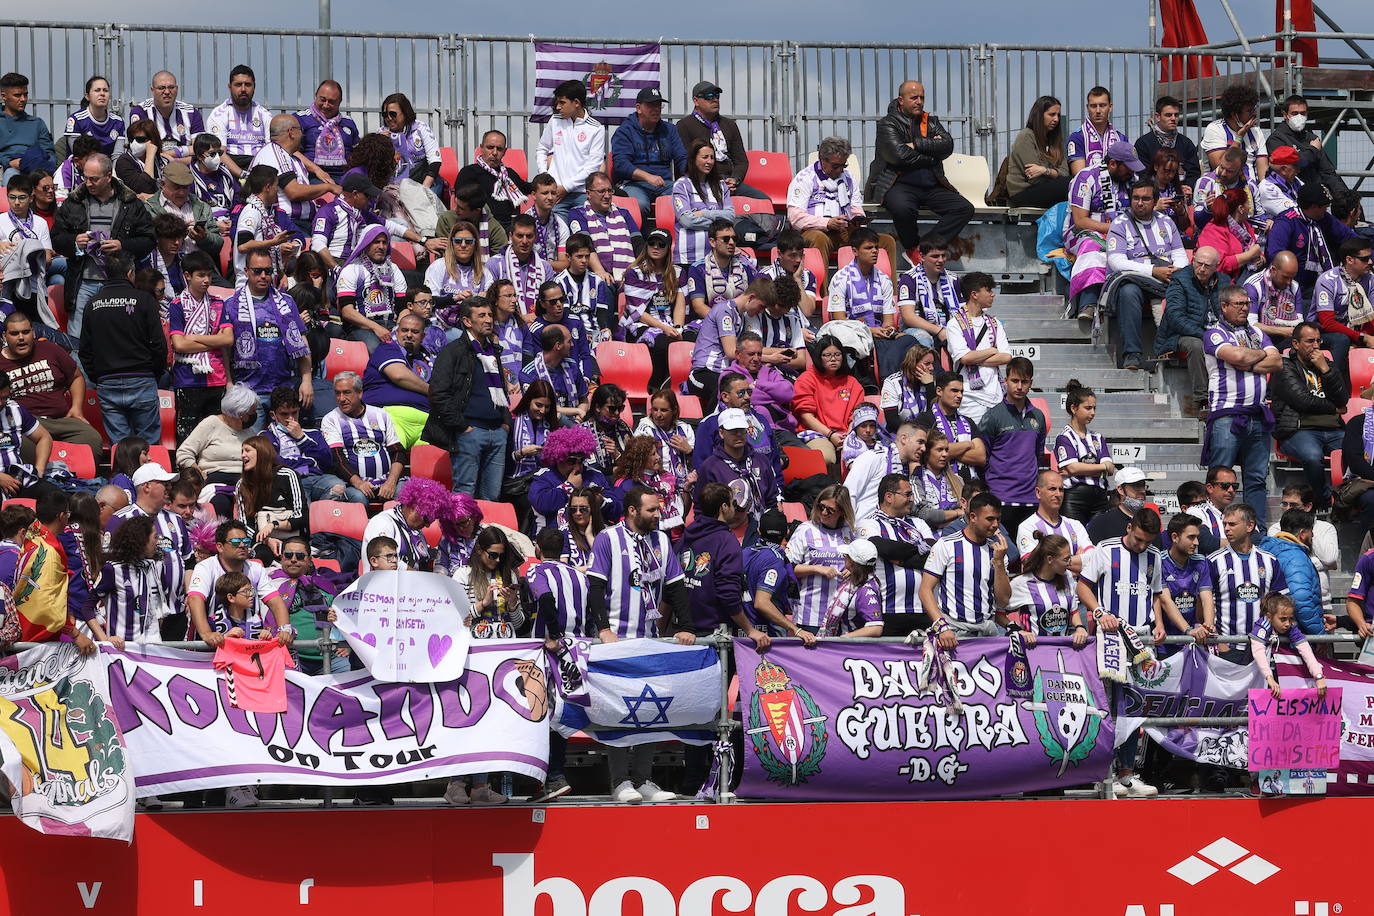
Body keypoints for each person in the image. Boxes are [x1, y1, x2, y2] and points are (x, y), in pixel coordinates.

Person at [585, 486, 690, 804]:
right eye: (652, 510)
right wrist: (603, 629)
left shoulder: (661, 540)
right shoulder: (608, 539)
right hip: (617, 638)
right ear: (632, 511)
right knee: (620, 711)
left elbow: (676, 587)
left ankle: (644, 777)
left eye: (658, 510)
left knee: (649, 710)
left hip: (650, 638)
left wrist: (685, 627)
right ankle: (620, 781)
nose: (658, 515)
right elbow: (595, 587)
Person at [1075, 507, 1165, 796]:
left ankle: (1127, 775)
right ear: (1129, 528)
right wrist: (1100, 612)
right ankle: (1106, 774)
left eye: (1146, 542)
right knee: (1109, 708)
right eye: (1138, 539)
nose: (1141, 546)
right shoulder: (1105, 550)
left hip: (1141, 639)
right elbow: (1083, 587)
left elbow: (1155, 594)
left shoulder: (1153, 557)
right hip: (1112, 638)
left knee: (1134, 709)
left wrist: (1159, 623)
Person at [51, 151, 155, 340]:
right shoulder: (73, 202)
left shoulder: (131, 203)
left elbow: (148, 240)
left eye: (94, 179)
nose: (88, 183)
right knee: (78, 339)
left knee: (120, 336)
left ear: (108, 177)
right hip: (83, 281)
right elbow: (57, 238)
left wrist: (122, 245)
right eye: (85, 177)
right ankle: (80, 371)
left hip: (119, 282)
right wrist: (74, 241)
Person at [1203, 285, 1283, 526]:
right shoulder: (1214, 333)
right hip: (1227, 415)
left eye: (1247, 304)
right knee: (1222, 478)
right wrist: (1256, 355)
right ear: (1224, 306)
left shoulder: (1256, 332)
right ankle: (1217, 526)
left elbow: (1277, 361)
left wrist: (1246, 360)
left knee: (1257, 478)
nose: (1245, 308)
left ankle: (1255, 528)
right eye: (1239, 304)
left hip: (1258, 415)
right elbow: (1236, 356)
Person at [866, 80, 970, 260]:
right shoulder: (888, 124)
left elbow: (947, 146)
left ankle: (927, 248)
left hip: (932, 185)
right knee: (903, 208)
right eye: (914, 97)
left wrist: (915, 144)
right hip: (897, 184)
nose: (919, 101)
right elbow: (898, 156)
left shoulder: (931, 121)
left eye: (922, 97)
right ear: (901, 100)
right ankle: (911, 248)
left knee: (964, 208)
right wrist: (932, 153)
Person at [78, 251, 165, 444]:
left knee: (121, 448)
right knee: (148, 447)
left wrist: (98, 377)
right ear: (130, 274)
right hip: (142, 378)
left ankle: (123, 475)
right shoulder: (145, 300)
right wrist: (154, 374)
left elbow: (84, 350)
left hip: (107, 382)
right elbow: (159, 345)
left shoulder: (92, 304)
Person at [1105, 180, 1189, 369]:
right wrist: (1153, 271)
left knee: (1183, 288)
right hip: (1135, 279)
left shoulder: (1166, 222)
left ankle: (1174, 350)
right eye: (1135, 198)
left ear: (1155, 201)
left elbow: (1179, 254)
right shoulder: (1120, 224)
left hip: (1166, 279)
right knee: (1128, 292)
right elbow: (1116, 262)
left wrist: (1177, 270)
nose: (1139, 203)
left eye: (1145, 199)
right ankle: (1132, 355)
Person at [225, 249, 313, 421]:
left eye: (268, 271)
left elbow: (301, 342)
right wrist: (229, 383)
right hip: (248, 392)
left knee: (287, 445)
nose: (264, 275)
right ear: (246, 271)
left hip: (283, 391)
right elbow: (225, 350)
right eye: (257, 271)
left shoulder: (286, 302)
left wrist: (307, 379)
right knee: (253, 446)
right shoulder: (231, 305)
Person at [788, 136, 900, 270]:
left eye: (843, 165)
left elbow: (856, 207)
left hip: (846, 232)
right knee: (819, 239)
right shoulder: (804, 178)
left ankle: (890, 290)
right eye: (835, 166)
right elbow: (795, 218)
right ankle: (819, 290)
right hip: (814, 231)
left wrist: (857, 220)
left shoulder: (849, 178)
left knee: (887, 242)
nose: (840, 170)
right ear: (822, 159)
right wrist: (827, 223)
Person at [1271, 320, 1348, 510]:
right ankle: (1323, 501)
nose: (1316, 346)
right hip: (1298, 429)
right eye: (1310, 341)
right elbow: (1303, 401)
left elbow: (1343, 398)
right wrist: (1333, 408)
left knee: (1357, 451)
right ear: (1295, 344)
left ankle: (1347, 498)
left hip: (1333, 428)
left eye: (1318, 341)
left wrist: (1326, 370)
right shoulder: (1284, 366)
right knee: (1313, 457)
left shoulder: (1325, 364)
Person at [0, 313, 102, 455]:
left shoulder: (50, 349)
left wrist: (76, 408)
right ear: (5, 336)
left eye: (26, 332)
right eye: (14, 333)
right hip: (25, 426)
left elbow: (76, 377)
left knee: (92, 439)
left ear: (33, 332)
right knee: (18, 447)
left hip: (61, 420)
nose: (21, 337)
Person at [1064, 140, 1140, 321]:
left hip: (1125, 230)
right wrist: (1115, 229)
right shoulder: (1086, 177)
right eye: (1128, 167)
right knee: (1094, 246)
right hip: (1083, 232)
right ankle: (1088, 304)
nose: (1132, 171)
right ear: (1113, 164)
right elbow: (1080, 221)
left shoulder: (1133, 179)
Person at [826, 227, 916, 379]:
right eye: (868, 248)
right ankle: (886, 380)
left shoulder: (884, 280)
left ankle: (888, 380)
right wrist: (870, 330)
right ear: (855, 251)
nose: (874, 251)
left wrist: (886, 331)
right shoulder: (840, 278)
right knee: (881, 346)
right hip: (853, 334)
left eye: (876, 247)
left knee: (912, 340)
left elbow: (888, 321)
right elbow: (839, 319)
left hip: (880, 335)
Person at [920, 492, 1012, 640]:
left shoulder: (997, 553)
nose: (995, 525)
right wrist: (941, 626)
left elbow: (1003, 601)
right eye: (990, 519)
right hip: (953, 634)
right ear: (973, 517)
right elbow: (925, 590)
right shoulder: (946, 545)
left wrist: (999, 563)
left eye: (998, 519)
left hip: (987, 634)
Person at [165, 250, 232, 440]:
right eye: (201, 275)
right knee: (188, 435)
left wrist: (193, 338)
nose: (206, 280)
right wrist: (214, 341)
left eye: (209, 275)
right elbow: (179, 344)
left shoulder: (219, 303)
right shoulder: (177, 304)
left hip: (217, 376)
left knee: (216, 437)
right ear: (187, 276)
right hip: (187, 378)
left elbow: (227, 340)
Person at [976, 356, 1046, 534]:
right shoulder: (992, 416)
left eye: (1025, 381)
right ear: (1005, 380)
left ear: (1031, 383)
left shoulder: (1038, 417)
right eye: (1015, 380)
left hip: (1031, 498)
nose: (1020, 386)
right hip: (1001, 498)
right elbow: (983, 457)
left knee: (1030, 559)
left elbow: (1037, 455)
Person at [1209, 502, 1287, 662]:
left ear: (1250, 525)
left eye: (1232, 524)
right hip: (1228, 647)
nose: (1226, 529)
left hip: (1263, 646)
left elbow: (1280, 602)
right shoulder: (1214, 561)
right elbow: (1203, 604)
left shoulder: (1269, 561)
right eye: (1225, 524)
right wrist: (1219, 641)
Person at [1155, 246, 1223, 418]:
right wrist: (1206, 336)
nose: (1202, 269)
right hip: (1180, 335)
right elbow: (1175, 317)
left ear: (1216, 266)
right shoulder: (1180, 280)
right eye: (1199, 263)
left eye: (1208, 265)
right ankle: (1203, 401)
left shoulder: (1224, 281)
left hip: (1216, 332)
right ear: (1193, 260)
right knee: (1196, 345)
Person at [267, 534, 349, 675]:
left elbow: (345, 618)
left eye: (299, 556)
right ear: (281, 558)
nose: (293, 559)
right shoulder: (268, 585)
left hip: (331, 657)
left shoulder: (325, 586)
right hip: (291, 658)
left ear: (309, 561)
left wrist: (346, 644)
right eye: (288, 555)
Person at [857, 473, 934, 624]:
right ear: (889, 497)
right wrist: (919, 549)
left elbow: (934, 555)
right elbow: (882, 548)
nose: (912, 499)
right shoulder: (869, 523)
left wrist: (902, 560)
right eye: (907, 494)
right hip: (886, 610)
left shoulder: (919, 523)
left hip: (923, 610)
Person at [687, 274, 771, 405]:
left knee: (750, 390)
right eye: (761, 306)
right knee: (724, 390)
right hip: (703, 372)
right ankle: (712, 424)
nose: (761, 311)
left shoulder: (741, 316)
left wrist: (777, 354)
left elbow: (747, 350)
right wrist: (771, 358)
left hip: (725, 373)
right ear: (751, 297)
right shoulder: (724, 311)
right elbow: (732, 352)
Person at [321, 372, 404, 504]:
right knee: (358, 498)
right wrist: (359, 483)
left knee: (407, 493)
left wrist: (391, 482)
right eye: (337, 393)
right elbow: (337, 459)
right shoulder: (331, 419)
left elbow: (397, 451)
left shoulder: (380, 414)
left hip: (387, 481)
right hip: (353, 485)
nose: (341, 398)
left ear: (360, 393)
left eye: (347, 392)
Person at [694, 407, 779, 536]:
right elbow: (701, 509)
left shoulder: (761, 461)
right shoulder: (710, 467)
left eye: (742, 430)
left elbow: (772, 500)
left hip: (761, 530)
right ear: (722, 433)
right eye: (733, 431)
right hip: (726, 533)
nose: (739, 434)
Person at [264, 384, 355, 504]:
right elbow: (275, 463)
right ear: (273, 415)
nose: (291, 419)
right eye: (284, 414)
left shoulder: (313, 433)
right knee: (301, 499)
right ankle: (308, 516)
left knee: (339, 487)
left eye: (294, 413)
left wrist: (301, 438)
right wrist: (309, 464)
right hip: (289, 480)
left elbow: (327, 461)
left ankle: (317, 514)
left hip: (317, 478)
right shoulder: (266, 437)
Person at [622, 228, 689, 390]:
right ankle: (657, 385)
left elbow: (681, 304)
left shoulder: (678, 272)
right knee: (663, 343)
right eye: (651, 243)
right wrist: (664, 328)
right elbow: (637, 312)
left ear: (668, 249)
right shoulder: (635, 273)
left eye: (661, 244)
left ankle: (680, 384)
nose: (656, 247)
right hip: (641, 324)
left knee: (689, 339)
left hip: (669, 323)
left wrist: (678, 329)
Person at [675, 80, 766, 200]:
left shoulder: (729, 125)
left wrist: (734, 180)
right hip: (702, 182)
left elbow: (741, 161)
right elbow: (685, 161)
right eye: (709, 97)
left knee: (764, 201)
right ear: (696, 101)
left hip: (728, 182)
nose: (715, 100)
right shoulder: (684, 125)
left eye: (717, 96)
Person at [1266, 182, 1354, 305]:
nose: (1327, 208)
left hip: (1325, 281)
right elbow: (1275, 254)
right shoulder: (1287, 222)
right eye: (1324, 205)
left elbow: (1350, 238)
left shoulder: (1324, 218)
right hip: (1296, 287)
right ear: (1313, 207)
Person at [176, 384, 259, 516]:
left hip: (245, 482)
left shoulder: (250, 432)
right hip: (216, 482)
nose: (255, 416)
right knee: (221, 503)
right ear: (240, 414)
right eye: (252, 413)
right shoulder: (211, 423)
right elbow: (184, 453)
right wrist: (199, 472)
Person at [249, 114, 340, 232]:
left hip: (300, 223)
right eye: (300, 130)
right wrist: (329, 187)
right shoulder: (274, 153)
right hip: (285, 224)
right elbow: (294, 192)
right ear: (291, 132)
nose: (302, 135)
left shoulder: (290, 155)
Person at [787, 484, 856, 634]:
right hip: (810, 614)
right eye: (821, 507)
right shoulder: (806, 530)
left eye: (830, 510)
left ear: (842, 512)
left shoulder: (849, 533)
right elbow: (789, 567)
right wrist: (817, 569)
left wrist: (852, 570)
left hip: (841, 614)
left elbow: (860, 565)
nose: (824, 512)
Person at [944, 271, 1011, 423]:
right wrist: (992, 351)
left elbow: (1006, 356)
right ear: (974, 294)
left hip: (996, 396)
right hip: (969, 398)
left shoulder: (994, 323)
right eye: (988, 290)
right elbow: (965, 357)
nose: (992, 295)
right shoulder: (954, 324)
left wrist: (974, 358)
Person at [612, 87, 688, 215]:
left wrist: (696, 171)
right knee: (639, 205)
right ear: (638, 108)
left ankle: (672, 234)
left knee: (684, 199)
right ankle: (640, 235)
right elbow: (621, 164)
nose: (656, 109)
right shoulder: (624, 131)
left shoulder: (670, 129)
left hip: (665, 184)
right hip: (633, 184)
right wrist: (647, 177)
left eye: (658, 105)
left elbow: (682, 158)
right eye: (651, 105)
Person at [794, 335, 865, 470]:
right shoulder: (807, 379)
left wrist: (847, 437)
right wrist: (830, 435)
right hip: (817, 433)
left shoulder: (852, 382)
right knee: (826, 457)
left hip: (847, 434)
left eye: (837, 354)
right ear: (819, 357)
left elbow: (857, 415)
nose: (833, 359)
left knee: (866, 457)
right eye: (827, 355)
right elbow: (805, 416)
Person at [1268, 94, 1352, 208]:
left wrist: (1345, 198)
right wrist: (1312, 150)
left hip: (1319, 200)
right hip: (1292, 199)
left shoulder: (1312, 138)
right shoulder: (1277, 139)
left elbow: (1328, 172)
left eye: (1303, 113)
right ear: (1285, 115)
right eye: (1294, 113)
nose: (1299, 117)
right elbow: (1295, 165)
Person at [1257, 509, 1329, 639]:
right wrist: (1319, 635)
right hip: (1295, 638)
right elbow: (1301, 600)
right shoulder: (1295, 557)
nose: (1312, 535)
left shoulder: (1266, 550)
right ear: (1302, 533)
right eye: (1310, 531)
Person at [337, 224, 408, 352]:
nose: (381, 246)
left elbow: (403, 308)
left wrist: (401, 329)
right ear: (366, 243)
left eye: (384, 242)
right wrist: (376, 328)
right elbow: (347, 311)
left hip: (391, 324)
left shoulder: (394, 269)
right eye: (376, 242)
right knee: (376, 349)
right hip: (361, 327)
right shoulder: (352, 269)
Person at [536, 80, 604, 216]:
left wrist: (567, 187)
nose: (558, 107)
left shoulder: (596, 128)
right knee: (557, 234)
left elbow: (593, 167)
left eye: (562, 102)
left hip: (582, 195)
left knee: (582, 235)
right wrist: (545, 175)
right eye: (558, 103)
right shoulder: (554, 120)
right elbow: (542, 148)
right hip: (556, 195)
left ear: (577, 103)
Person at [743, 508, 811, 641]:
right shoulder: (775, 559)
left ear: (758, 530)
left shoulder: (744, 552)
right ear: (787, 532)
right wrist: (795, 629)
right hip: (767, 637)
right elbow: (761, 602)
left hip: (742, 633)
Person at [1055, 379, 1116, 523]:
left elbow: (1111, 469)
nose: (1093, 412)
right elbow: (1072, 467)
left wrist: (1081, 469)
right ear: (1074, 408)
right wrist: (1102, 468)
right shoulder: (1064, 437)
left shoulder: (1098, 437)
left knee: (1097, 541)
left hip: (1100, 496)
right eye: (1088, 408)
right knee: (1075, 541)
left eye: (1094, 408)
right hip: (1075, 497)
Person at [234, 436, 306, 556]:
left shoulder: (287, 475)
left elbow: (301, 515)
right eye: (242, 451)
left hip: (291, 537)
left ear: (261, 452)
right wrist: (266, 539)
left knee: (292, 555)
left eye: (247, 450)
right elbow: (245, 525)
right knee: (262, 555)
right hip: (261, 541)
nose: (242, 455)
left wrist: (274, 525)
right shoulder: (242, 485)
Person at [1314, 238, 1374, 379]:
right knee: (1341, 340)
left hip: (1357, 333)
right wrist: (1361, 338)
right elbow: (1327, 323)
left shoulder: (1370, 279)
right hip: (1324, 333)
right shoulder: (1328, 280)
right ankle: (1334, 383)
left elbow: (1372, 317)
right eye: (1365, 259)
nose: (1370, 262)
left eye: (1370, 258)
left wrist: (1363, 339)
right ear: (1349, 260)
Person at [567, 171, 639, 285]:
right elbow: (584, 245)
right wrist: (600, 272)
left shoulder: (623, 213)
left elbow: (638, 243)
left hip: (627, 275)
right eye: (601, 191)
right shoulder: (578, 213)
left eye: (610, 191)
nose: (607, 196)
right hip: (596, 276)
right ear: (588, 193)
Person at [672, 139, 735, 269]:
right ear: (693, 159)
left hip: (718, 258)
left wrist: (704, 213)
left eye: (712, 157)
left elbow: (730, 217)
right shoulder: (681, 185)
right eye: (705, 157)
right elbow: (686, 220)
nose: (709, 161)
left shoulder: (721, 186)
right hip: (688, 258)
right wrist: (718, 226)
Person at [233, 165, 301, 284]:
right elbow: (243, 246)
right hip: (249, 284)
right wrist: (274, 242)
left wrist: (281, 274)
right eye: (276, 187)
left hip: (265, 282)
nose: (277, 191)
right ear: (268, 187)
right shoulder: (251, 211)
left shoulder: (265, 211)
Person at [1158, 513, 1216, 650]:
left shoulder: (1201, 562)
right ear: (1174, 537)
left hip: (1194, 640)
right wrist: (1188, 630)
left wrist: (1208, 624)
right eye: (1191, 537)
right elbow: (1166, 601)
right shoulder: (1159, 561)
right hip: (1166, 642)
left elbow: (1207, 598)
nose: (1196, 543)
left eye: (1197, 537)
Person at [1268, 484, 1339, 595]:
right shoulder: (1276, 529)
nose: (1287, 509)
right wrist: (1321, 564)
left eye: (1293, 505)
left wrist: (1308, 527)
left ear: (1308, 506)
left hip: (1321, 600)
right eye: (1284, 504)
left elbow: (1329, 559)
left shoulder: (1326, 528)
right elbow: (1283, 563)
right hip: (1286, 599)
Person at [1014, 469, 1091, 570]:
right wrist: (1076, 563)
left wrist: (1055, 563)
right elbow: (1034, 566)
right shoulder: (1028, 527)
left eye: (1061, 489)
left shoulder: (1075, 525)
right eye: (1052, 489)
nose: (1058, 494)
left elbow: (1092, 559)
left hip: (1075, 585)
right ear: (1038, 492)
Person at [146, 160, 222, 262]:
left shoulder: (201, 207)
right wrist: (177, 231)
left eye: (185, 187)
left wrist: (204, 237)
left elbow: (218, 245)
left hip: (200, 267)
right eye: (176, 187)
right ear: (162, 184)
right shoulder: (149, 208)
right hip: (165, 267)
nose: (181, 193)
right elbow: (147, 242)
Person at [457, 130, 533, 231]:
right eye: (490, 147)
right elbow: (462, 203)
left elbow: (530, 188)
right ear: (481, 148)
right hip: (481, 227)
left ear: (505, 152)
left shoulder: (509, 174)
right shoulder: (469, 172)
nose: (495, 152)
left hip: (511, 227)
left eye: (499, 149)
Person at [686, 218, 760, 321]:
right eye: (726, 239)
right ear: (712, 242)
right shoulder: (698, 268)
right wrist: (724, 323)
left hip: (742, 322)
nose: (731, 242)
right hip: (711, 323)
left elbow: (754, 299)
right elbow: (699, 307)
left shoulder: (745, 267)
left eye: (734, 238)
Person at [361, 478, 443, 572]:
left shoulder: (415, 531)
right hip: (383, 583)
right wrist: (420, 578)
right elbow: (385, 560)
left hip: (409, 583)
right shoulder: (383, 522)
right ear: (413, 507)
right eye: (426, 519)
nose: (427, 525)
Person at [483, 214, 555, 317]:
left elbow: (550, 302)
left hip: (537, 323)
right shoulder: (494, 264)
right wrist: (521, 319)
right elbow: (489, 302)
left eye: (529, 236)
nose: (525, 241)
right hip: (503, 325)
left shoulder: (545, 267)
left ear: (535, 237)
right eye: (520, 236)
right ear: (510, 236)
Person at [1006, 95, 1071, 208]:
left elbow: (1065, 172)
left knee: (1077, 183)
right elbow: (1034, 178)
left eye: (1058, 115)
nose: (1056, 119)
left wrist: (1045, 171)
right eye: (1051, 114)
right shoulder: (1026, 136)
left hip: (1045, 188)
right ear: (1039, 115)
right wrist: (1055, 173)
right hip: (1023, 193)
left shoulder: (1054, 140)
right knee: (1071, 183)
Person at [897, 236, 961, 349]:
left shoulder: (954, 279)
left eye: (943, 255)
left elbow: (964, 312)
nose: (941, 260)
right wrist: (939, 331)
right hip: (918, 330)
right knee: (924, 338)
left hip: (949, 328)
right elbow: (908, 317)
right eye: (935, 256)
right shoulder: (909, 278)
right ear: (921, 256)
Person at [918, 371, 987, 475]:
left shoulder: (968, 421)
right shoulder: (925, 420)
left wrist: (948, 451)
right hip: (940, 484)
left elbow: (981, 457)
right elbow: (929, 453)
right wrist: (967, 444)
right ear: (939, 391)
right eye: (954, 391)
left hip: (970, 485)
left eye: (961, 391)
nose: (959, 395)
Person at [206, 65, 271, 172]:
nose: (243, 89)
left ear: (254, 86)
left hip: (259, 168)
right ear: (230, 86)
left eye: (248, 85)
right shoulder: (219, 114)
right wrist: (242, 175)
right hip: (230, 166)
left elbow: (271, 150)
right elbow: (219, 153)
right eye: (238, 85)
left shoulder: (264, 114)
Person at [128, 71, 204, 163]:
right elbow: (141, 150)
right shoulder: (140, 111)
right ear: (152, 90)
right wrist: (184, 151)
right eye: (161, 88)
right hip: (151, 168)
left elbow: (201, 151)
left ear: (177, 89)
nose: (167, 92)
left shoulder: (191, 112)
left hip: (184, 169)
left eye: (171, 87)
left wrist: (174, 159)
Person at [519, 324, 589, 423]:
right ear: (558, 346)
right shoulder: (529, 374)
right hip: (544, 427)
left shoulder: (572, 366)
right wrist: (576, 411)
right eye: (569, 341)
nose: (572, 345)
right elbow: (540, 409)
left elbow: (583, 400)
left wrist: (578, 418)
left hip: (574, 425)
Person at [728, 331, 795, 431]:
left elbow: (788, 393)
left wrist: (758, 384)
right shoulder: (728, 375)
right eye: (751, 354)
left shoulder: (770, 372)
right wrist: (776, 396)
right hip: (749, 432)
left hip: (783, 428)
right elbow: (747, 399)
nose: (756, 358)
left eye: (759, 354)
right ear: (738, 354)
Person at [294, 80, 359, 183]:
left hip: (345, 177)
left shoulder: (348, 122)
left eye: (331, 102)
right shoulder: (300, 119)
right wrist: (316, 170)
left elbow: (358, 153)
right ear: (316, 95)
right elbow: (290, 151)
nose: (326, 105)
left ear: (340, 101)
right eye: (322, 99)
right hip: (312, 176)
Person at [1201, 84, 1268, 182]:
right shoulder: (1215, 129)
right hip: (1221, 189)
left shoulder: (1256, 131)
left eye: (1254, 109)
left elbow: (1263, 169)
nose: (1254, 113)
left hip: (1251, 190)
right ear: (1234, 114)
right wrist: (1239, 137)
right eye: (1249, 111)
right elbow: (1220, 166)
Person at [1134, 95, 1202, 190]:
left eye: (1176, 115)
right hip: (1153, 195)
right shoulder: (1143, 143)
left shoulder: (1186, 143)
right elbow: (1143, 174)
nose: (1173, 118)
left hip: (1182, 195)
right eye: (1168, 115)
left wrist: (1187, 188)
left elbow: (1194, 173)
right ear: (1158, 116)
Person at [1197, 188, 1265, 282]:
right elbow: (1218, 265)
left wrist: (1260, 257)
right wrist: (1249, 255)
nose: (1249, 207)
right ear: (1241, 209)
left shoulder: (1245, 225)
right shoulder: (1214, 230)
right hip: (1222, 284)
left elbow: (1254, 246)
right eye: (1248, 203)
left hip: (1246, 276)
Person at [379, 92, 441, 190]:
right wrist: (379, 143)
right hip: (393, 184)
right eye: (385, 114)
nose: (389, 118)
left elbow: (435, 161)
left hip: (423, 181)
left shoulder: (420, 128)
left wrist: (423, 190)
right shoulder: (381, 133)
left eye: (393, 114)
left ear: (405, 112)